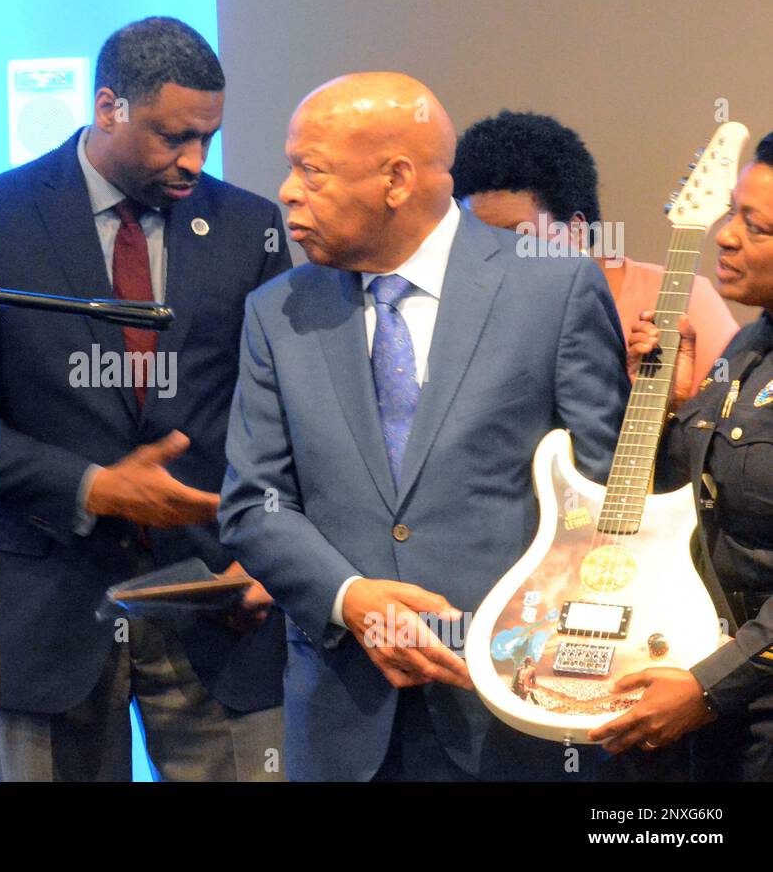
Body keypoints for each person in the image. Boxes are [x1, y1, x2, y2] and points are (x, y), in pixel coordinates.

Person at [218, 73, 628, 781]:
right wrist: (353, 601)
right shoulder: (277, 311)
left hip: (512, 713)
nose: (286, 190)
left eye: (309, 170)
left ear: (397, 179)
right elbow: (254, 503)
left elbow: (607, 503)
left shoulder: (554, 289)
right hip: (343, 716)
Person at [0, 18, 292, 781]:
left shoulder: (249, 225)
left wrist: (273, 559)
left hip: (219, 594)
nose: (193, 161)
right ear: (107, 105)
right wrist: (93, 486)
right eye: (172, 137)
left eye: (208, 139)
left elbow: (286, 411)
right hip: (49, 602)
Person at [591, 130, 773, 781]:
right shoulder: (747, 344)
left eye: (756, 227)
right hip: (710, 690)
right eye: (729, 212)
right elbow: (687, 508)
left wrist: (706, 687)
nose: (724, 236)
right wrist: (669, 405)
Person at [452, 110, 737, 397]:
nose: (493, 256)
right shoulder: (467, 320)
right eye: (477, 238)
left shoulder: (685, 300)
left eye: (516, 236)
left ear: (576, 230)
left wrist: (676, 406)